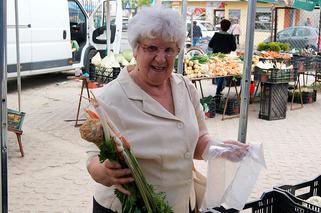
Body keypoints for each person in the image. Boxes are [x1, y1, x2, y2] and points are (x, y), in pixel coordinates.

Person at [81, 7, 248, 213]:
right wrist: (104, 173)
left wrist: (220, 149)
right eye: (151, 48)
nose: (161, 58)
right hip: (130, 208)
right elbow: (92, 160)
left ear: (177, 51)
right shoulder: (109, 98)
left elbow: (198, 140)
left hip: (180, 204)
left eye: (168, 49)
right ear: (135, 49)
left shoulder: (185, 88)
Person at [208, 19, 237, 95]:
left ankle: (219, 89)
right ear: (229, 27)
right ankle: (219, 90)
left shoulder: (216, 35)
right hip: (225, 58)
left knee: (218, 73)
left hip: (215, 57)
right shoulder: (231, 37)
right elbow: (234, 48)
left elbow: (210, 45)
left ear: (221, 26)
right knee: (221, 74)